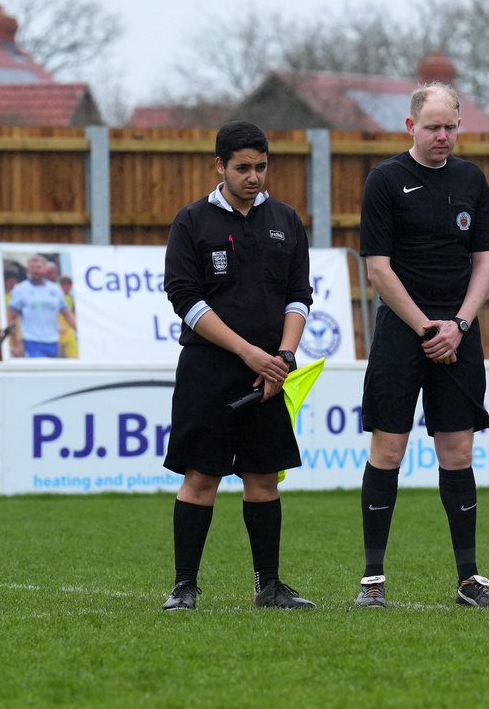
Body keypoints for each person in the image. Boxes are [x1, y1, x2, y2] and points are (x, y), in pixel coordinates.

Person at [355, 82, 489, 609]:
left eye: (450, 127)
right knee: (389, 449)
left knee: (458, 451)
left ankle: (469, 580)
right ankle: (372, 579)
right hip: (404, 332)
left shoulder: (472, 180)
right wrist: (426, 327)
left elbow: (485, 259)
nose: (443, 136)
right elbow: (378, 267)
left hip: (458, 334)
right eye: (433, 127)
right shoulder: (385, 180)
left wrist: (459, 326)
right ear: (411, 127)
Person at [160, 120, 315, 612]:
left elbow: (299, 297)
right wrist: (249, 352)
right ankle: (184, 587)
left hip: (268, 376)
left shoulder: (287, 221)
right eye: (243, 168)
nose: (254, 177)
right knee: (201, 478)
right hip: (209, 370)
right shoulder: (192, 222)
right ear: (219, 166)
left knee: (263, 479)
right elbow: (184, 299)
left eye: (261, 167)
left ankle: (267, 588)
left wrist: (284, 358)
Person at [7, 255, 77, 358]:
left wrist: (81, 330)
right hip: (32, 342)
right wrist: (15, 345)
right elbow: (11, 319)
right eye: (33, 268)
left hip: (53, 341)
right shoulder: (20, 290)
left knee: (52, 372)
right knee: (40, 371)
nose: (36, 271)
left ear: (45, 269)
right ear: (28, 270)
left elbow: (66, 314)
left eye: (39, 267)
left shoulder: (55, 290)